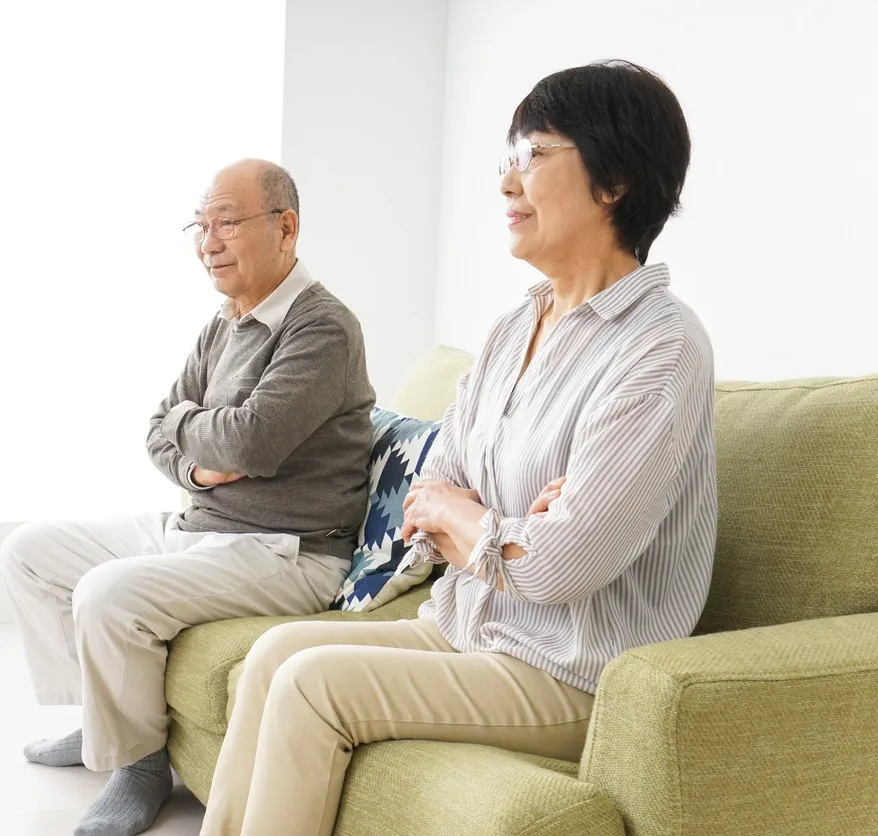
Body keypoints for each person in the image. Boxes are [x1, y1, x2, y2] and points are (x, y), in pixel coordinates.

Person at [199, 61, 718, 836]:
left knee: (311, 683)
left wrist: (482, 523)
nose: (509, 183)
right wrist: (500, 522)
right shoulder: (514, 329)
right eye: (509, 160)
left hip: (568, 668)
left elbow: (560, 565)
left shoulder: (660, 348)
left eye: (536, 156)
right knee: (276, 653)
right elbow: (434, 483)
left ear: (614, 182)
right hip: (468, 627)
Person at [0, 158, 375, 836]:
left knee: (106, 594)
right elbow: (159, 430)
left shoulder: (323, 328)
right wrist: (200, 466)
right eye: (200, 226)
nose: (208, 242)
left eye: (226, 222)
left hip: (286, 552)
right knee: (30, 551)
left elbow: (252, 444)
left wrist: (199, 436)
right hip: (202, 521)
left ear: (285, 227)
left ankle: (139, 767)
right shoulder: (224, 322)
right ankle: (99, 722)